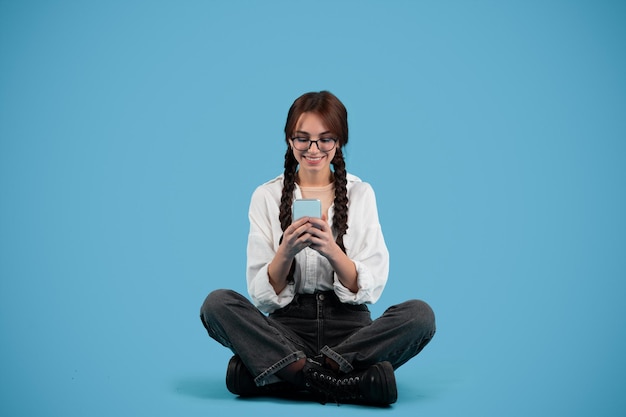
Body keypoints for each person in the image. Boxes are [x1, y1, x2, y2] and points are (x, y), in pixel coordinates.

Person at [200, 91, 435, 406]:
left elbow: (371, 284)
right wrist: (286, 252)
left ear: (339, 141)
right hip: (288, 329)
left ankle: (289, 374)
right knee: (217, 303)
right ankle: (347, 382)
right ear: (289, 140)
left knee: (420, 315)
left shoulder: (361, 194)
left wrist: (332, 251)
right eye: (303, 139)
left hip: (351, 334)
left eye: (325, 139)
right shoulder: (266, 196)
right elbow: (260, 293)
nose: (314, 149)